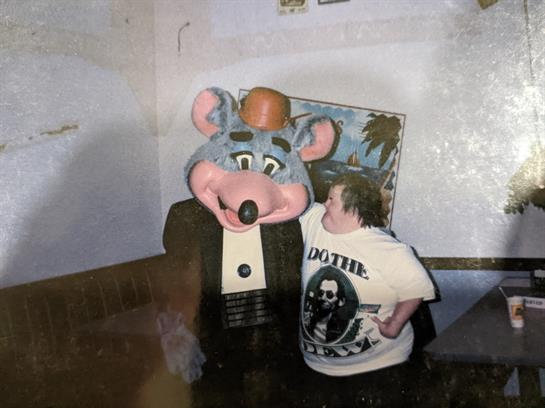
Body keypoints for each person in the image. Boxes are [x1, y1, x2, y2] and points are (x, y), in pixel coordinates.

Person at [297, 173, 436, 405]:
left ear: (353, 209)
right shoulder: (315, 222)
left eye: (332, 200)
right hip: (316, 368)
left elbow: (416, 287)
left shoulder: (386, 248)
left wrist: (394, 324)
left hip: (376, 370)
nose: (325, 204)